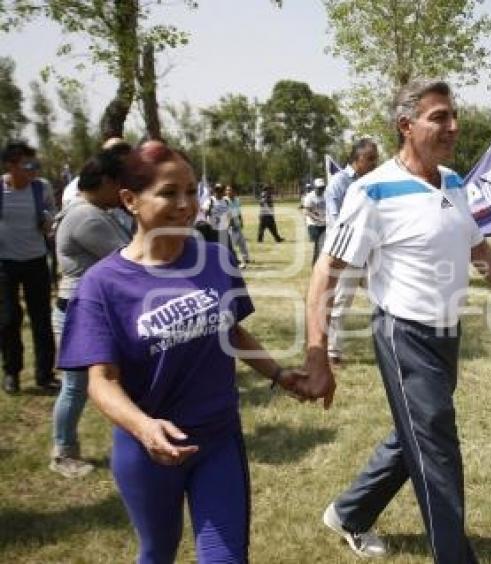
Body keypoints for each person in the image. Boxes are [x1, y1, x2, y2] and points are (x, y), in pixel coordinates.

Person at [302, 79, 491, 562]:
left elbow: (480, 252)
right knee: (437, 444)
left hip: (446, 334)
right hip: (403, 334)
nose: (453, 125)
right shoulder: (371, 191)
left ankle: (350, 512)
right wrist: (317, 353)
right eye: (439, 116)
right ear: (407, 125)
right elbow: (327, 272)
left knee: (417, 434)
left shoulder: (454, 181)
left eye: (453, 114)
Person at [57, 141, 306, 562]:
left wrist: (280, 376)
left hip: (218, 440)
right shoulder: (102, 284)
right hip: (148, 452)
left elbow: (234, 332)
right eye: (169, 193)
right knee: (158, 552)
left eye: (191, 191)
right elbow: (102, 381)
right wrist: (142, 427)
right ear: (130, 200)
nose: (186, 204)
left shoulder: (215, 258)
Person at [50, 144, 133, 478]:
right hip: (79, 312)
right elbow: (127, 256)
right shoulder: (85, 216)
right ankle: (63, 451)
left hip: (94, 310)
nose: (125, 191)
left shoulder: (97, 212)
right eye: (121, 184)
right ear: (104, 182)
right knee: (75, 387)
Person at [0, 141, 59, 394]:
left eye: (35, 165)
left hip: (35, 260)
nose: (33, 170)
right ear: (11, 166)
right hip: (5, 263)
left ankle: (44, 374)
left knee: (41, 318)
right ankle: (12, 372)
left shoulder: (40, 188)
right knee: (8, 318)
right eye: (27, 165)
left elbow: (52, 215)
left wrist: (48, 222)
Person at [324, 139, 379, 365]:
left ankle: (390, 346)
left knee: (383, 300)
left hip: (370, 253)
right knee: (340, 303)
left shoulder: (372, 183)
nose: (374, 164)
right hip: (346, 256)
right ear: (357, 159)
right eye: (370, 159)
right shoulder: (338, 183)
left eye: (376, 159)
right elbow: (335, 219)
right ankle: (332, 351)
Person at [301, 178, 327, 265]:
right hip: (313, 224)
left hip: (324, 223)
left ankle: (320, 263)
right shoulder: (309, 197)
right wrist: (317, 218)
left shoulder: (326, 195)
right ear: (315, 187)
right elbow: (306, 211)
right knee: (318, 243)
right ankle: (315, 264)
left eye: (323, 188)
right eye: (319, 188)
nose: (321, 190)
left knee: (325, 244)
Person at [224, 185, 251, 267]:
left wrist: (241, 221)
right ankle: (230, 260)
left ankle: (246, 258)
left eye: (230, 190)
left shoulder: (237, 200)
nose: (228, 192)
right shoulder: (224, 201)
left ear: (234, 192)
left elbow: (238, 212)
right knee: (231, 245)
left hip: (237, 224)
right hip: (230, 226)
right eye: (227, 190)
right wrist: (230, 224)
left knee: (242, 243)